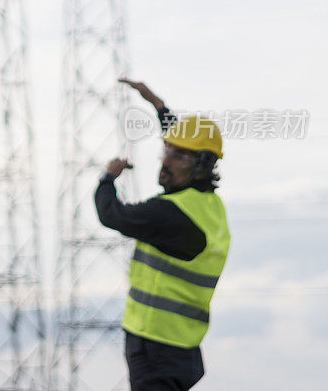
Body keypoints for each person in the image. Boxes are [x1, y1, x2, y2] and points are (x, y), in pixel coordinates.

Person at [95, 78, 230, 391]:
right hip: (181, 346)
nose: (166, 160)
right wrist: (158, 106)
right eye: (166, 150)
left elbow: (111, 214)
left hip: (155, 345)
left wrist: (107, 178)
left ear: (202, 165)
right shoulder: (209, 207)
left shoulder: (168, 214)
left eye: (178, 156)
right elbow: (187, 141)